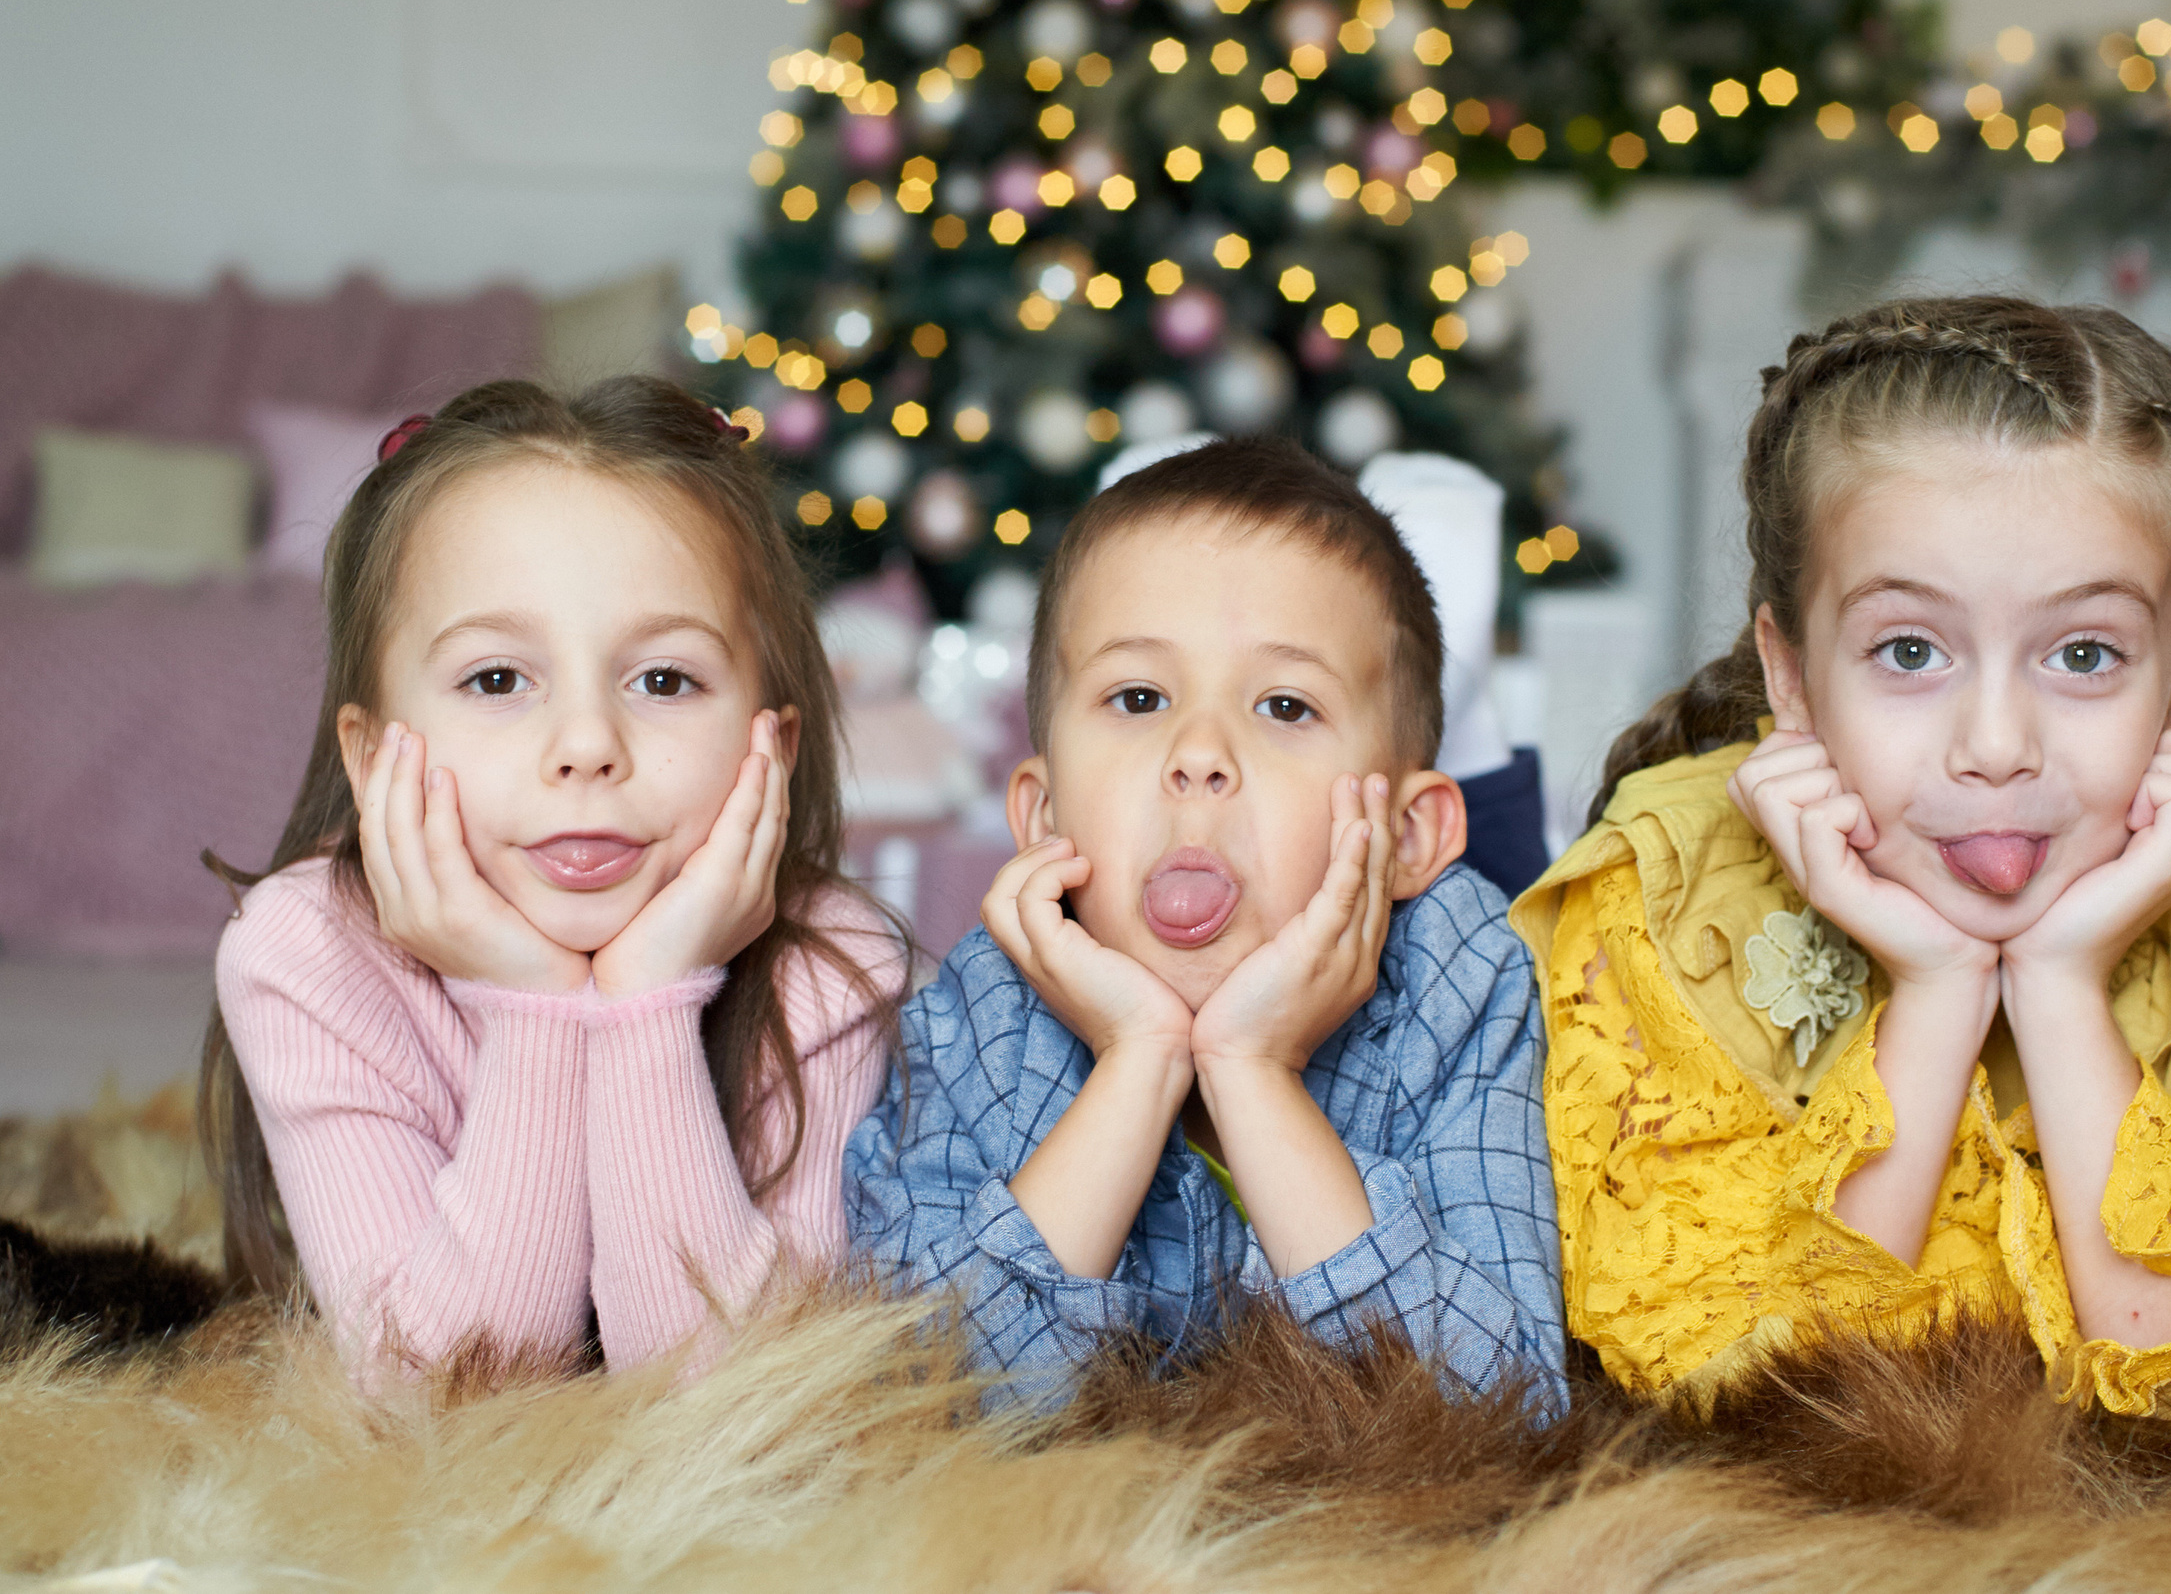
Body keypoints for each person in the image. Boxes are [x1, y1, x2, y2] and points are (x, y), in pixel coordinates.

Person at [1513, 297, 2171, 1423]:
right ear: (1792, 675)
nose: (1997, 748)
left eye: (2083, 653)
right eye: (1910, 650)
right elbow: (1723, 1394)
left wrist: (2060, 991)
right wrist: (1935, 990)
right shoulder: (1659, 911)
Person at [202, 378, 905, 1380]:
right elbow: (443, 1401)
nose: (585, 746)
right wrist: (533, 1002)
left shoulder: (831, 963)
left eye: (664, 679)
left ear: (773, 747)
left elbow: (729, 1404)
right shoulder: (305, 949)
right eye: (497, 679)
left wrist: (650, 1001)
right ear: (369, 759)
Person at [845, 438, 1563, 1409]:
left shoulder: (1459, 976)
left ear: (1404, 835)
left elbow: (1505, 1412)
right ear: (1044, 819)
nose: (1198, 755)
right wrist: (1138, 1058)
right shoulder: (982, 1006)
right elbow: (925, 1403)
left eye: (1284, 704)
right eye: (1138, 697)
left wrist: (1251, 1070)